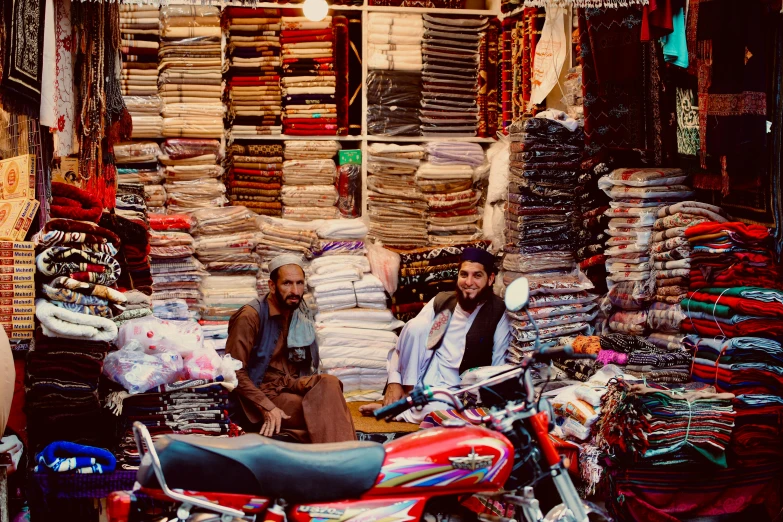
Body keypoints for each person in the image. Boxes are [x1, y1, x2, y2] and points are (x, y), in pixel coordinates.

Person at [360, 247, 511, 423]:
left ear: (490, 279)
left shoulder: (498, 312)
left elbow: (498, 365)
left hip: (462, 390)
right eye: (464, 275)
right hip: (427, 377)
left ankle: (399, 410)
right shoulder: (442, 302)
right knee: (416, 326)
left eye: (477, 276)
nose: (469, 282)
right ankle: (409, 397)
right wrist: (394, 381)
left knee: (438, 410)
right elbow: (407, 342)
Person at [226, 254, 356, 443]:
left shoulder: (300, 313)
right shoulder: (250, 316)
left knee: (329, 384)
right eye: (287, 284)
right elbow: (233, 372)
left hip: (289, 385)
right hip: (261, 395)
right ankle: (345, 462)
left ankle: (338, 456)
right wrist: (266, 407)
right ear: (272, 286)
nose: (295, 291)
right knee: (327, 413)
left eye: (299, 283)